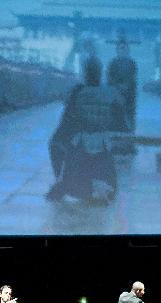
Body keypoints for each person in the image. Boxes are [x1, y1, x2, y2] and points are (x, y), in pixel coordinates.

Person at [47, 55, 128, 203]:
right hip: (103, 147)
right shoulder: (112, 93)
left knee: (54, 145)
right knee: (111, 190)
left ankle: (62, 181)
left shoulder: (77, 93)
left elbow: (66, 123)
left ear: (85, 73)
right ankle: (98, 188)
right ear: (100, 73)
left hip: (80, 146)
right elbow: (122, 123)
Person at [107, 32, 138, 134]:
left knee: (129, 120)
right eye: (121, 48)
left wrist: (125, 88)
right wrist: (118, 89)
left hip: (129, 98)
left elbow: (132, 80)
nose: (123, 50)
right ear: (117, 50)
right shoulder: (112, 63)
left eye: (124, 48)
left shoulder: (132, 64)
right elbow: (110, 79)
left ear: (128, 50)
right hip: (115, 97)